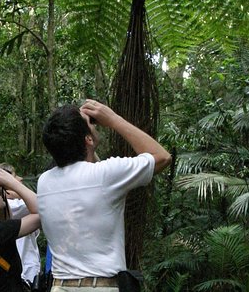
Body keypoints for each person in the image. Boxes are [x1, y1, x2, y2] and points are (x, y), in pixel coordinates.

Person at [37, 99, 172, 290]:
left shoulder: (44, 182)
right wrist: (112, 119)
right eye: (90, 124)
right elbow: (162, 156)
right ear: (88, 139)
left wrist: (85, 131)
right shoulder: (105, 176)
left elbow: (88, 173)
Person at [0, 164, 41, 287]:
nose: (20, 179)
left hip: (26, 270)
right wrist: (17, 191)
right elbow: (42, 204)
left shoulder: (16, 205)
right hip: (23, 272)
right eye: (14, 177)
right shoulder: (10, 206)